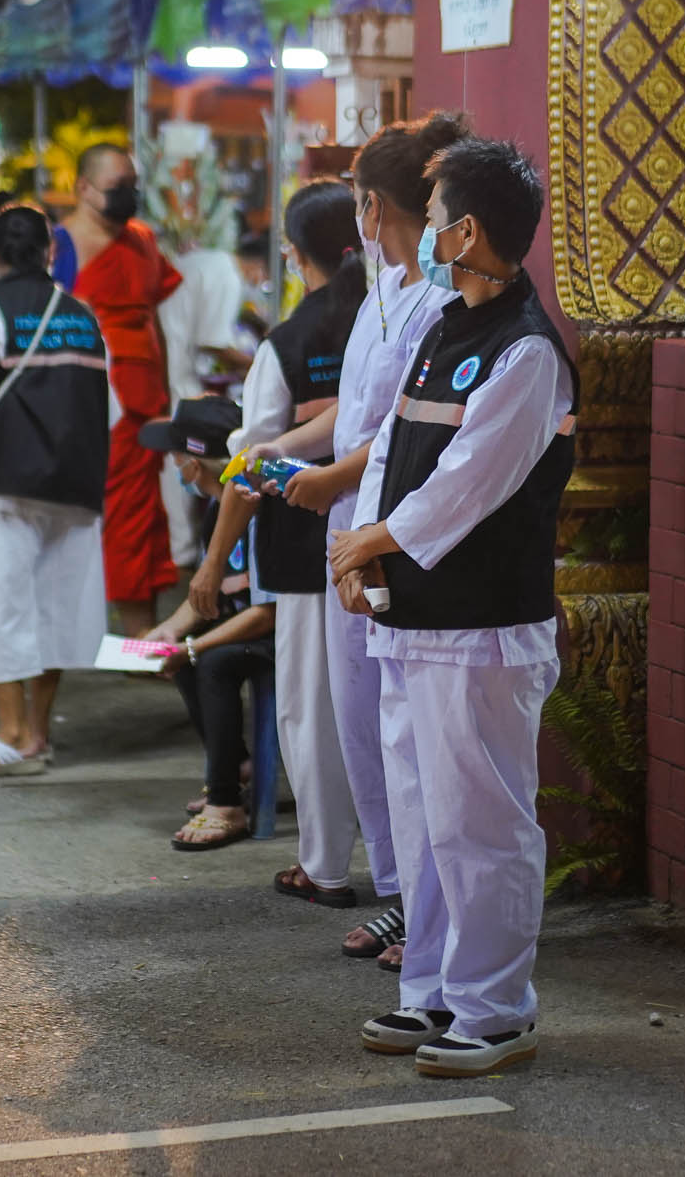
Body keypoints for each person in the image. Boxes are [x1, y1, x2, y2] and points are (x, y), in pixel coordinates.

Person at [330, 137, 574, 1079]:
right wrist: (358, 549)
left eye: (433, 218)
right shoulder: (442, 328)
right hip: (411, 617)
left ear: (467, 233)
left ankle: (495, 1008)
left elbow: (466, 486)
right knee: (425, 822)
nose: (422, 232)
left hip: (484, 629)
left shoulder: (526, 352)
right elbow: (392, 450)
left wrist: (370, 541)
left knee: (483, 825)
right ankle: (429, 988)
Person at [250, 110, 468, 968]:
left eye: (358, 202)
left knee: (409, 733)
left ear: (374, 206)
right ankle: (398, 888)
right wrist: (283, 448)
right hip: (349, 520)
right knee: (365, 722)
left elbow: (404, 428)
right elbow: (354, 409)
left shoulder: (438, 299)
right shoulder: (383, 286)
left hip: (392, 523)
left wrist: (331, 480)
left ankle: (429, 903)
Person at [194, 180, 368, 908]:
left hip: (304, 551)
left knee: (310, 710)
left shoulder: (287, 343)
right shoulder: (385, 321)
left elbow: (249, 466)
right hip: (384, 541)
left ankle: (324, 866)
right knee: (377, 707)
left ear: (296, 256)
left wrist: (213, 561)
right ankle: (396, 873)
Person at [0, 205, 110, 776]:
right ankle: (37, 734)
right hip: (77, 486)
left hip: (8, 484)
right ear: (50, 253)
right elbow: (109, 410)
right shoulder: (84, 317)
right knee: (56, 609)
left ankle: (8, 736)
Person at [58, 143, 182, 636]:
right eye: (117, 187)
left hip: (144, 397)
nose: (128, 195)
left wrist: (166, 393)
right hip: (91, 399)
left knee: (143, 516)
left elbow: (154, 321)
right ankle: (122, 633)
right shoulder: (60, 247)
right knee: (115, 517)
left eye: (132, 185)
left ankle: (139, 632)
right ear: (83, 188)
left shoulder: (142, 239)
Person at [139, 396, 273, 850]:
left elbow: (268, 613)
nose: (174, 467)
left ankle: (225, 803)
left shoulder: (261, 513)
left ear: (194, 465)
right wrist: (169, 633)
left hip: (280, 635)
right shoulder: (217, 513)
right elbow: (204, 598)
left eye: (176, 457)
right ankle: (234, 766)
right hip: (247, 625)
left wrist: (194, 647)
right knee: (185, 657)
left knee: (211, 661)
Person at [156, 236, 247, 569]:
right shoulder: (227, 272)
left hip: (169, 370)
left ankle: (181, 550)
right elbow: (213, 342)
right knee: (182, 463)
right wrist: (261, 365)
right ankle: (183, 553)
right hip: (177, 377)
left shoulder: (206, 262)